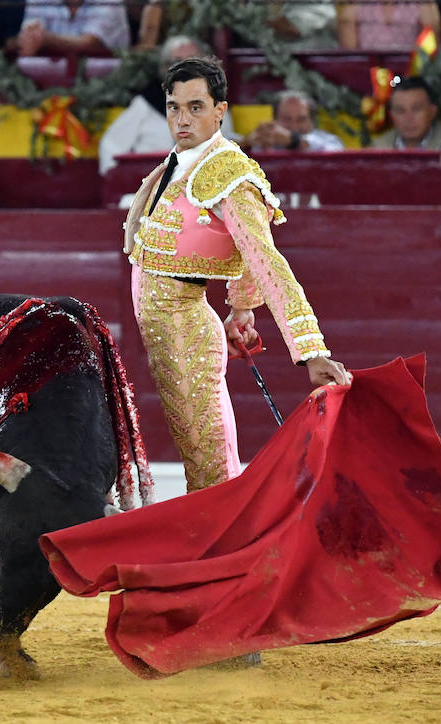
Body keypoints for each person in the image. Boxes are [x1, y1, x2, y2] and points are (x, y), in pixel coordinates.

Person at [122, 53, 351, 492]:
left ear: (220, 111)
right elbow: (242, 254)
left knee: (208, 466)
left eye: (196, 107)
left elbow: (265, 259)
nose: (182, 119)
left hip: (186, 330)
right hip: (172, 329)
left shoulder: (231, 176)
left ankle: (226, 556)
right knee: (201, 458)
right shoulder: (184, 160)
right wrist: (242, 308)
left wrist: (310, 350)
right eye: (174, 107)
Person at [97, 33, 220, 173]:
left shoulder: (213, 103)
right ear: (165, 69)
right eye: (177, 62)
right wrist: (118, 182)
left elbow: (226, 143)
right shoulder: (146, 103)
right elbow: (111, 145)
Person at [242, 89, 345, 152]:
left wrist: (294, 140)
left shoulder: (330, 141)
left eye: (301, 119)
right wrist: (247, 143)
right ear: (275, 120)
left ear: (312, 121)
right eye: (286, 119)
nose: (294, 126)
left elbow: (336, 156)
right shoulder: (264, 142)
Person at [370, 75, 441, 149]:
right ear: (391, 115)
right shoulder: (377, 149)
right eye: (400, 111)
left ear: (433, 111)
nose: (408, 118)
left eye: (416, 109)